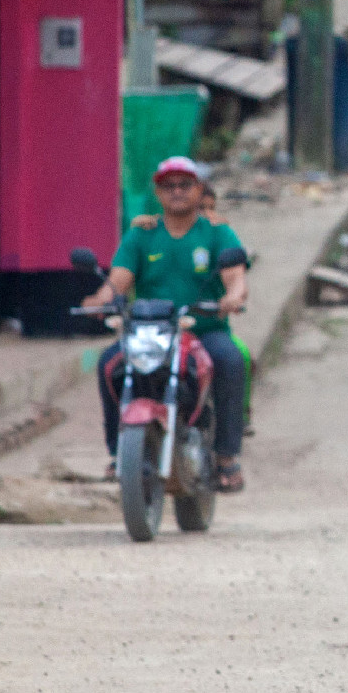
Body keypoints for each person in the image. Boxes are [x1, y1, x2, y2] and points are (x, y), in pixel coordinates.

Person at [85, 156, 251, 492]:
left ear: (199, 190)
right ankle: (119, 454)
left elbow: (236, 277)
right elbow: (118, 280)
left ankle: (226, 457)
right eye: (168, 186)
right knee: (108, 365)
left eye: (184, 185)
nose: (176, 192)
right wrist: (101, 300)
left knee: (231, 362)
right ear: (158, 193)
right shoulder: (141, 235)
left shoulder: (218, 232)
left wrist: (233, 297)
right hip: (149, 334)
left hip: (205, 332)